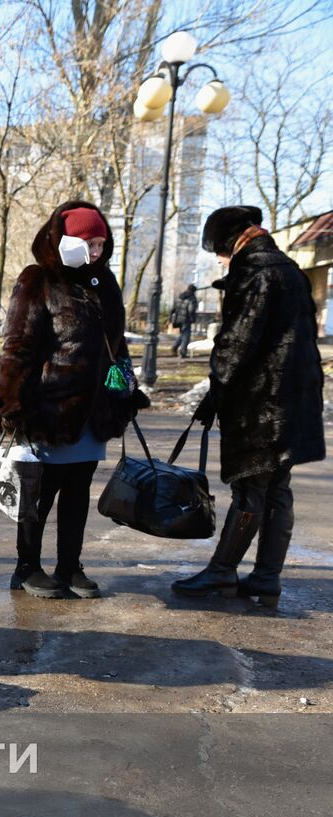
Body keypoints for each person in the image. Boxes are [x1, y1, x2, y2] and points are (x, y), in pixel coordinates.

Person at [0, 201, 147, 599]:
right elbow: (17, 348)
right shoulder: (36, 280)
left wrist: (125, 390)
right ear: (64, 240)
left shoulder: (104, 283)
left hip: (93, 411)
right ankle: (27, 567)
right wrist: (12, 404)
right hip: (49, 411)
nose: (95, 252)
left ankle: (69, 566)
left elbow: (118, 346)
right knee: (40, 496)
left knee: (78, 495)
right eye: (88, 244)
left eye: (100, 245)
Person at [172, 206, 326, 608]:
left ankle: (222, 571)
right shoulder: (290, 270)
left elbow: (237, 342)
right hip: (294, 401)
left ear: (230, 243)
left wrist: (216, 389)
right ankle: (266, 578)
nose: (221, 260)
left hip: (261, 403)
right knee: (278, 489)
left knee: (249, 488)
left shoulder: (253, 273)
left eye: (218, 253)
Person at [169, 283, 198, 357]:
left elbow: (173, 308)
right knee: (186, 337)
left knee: (182, 334)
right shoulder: (192, 298)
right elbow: (191, 310)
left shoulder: (180, 296)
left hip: (178, 319)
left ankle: (174, 347)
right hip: (186, 319)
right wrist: (193, 319)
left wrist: (170, 318)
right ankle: (182, 352)